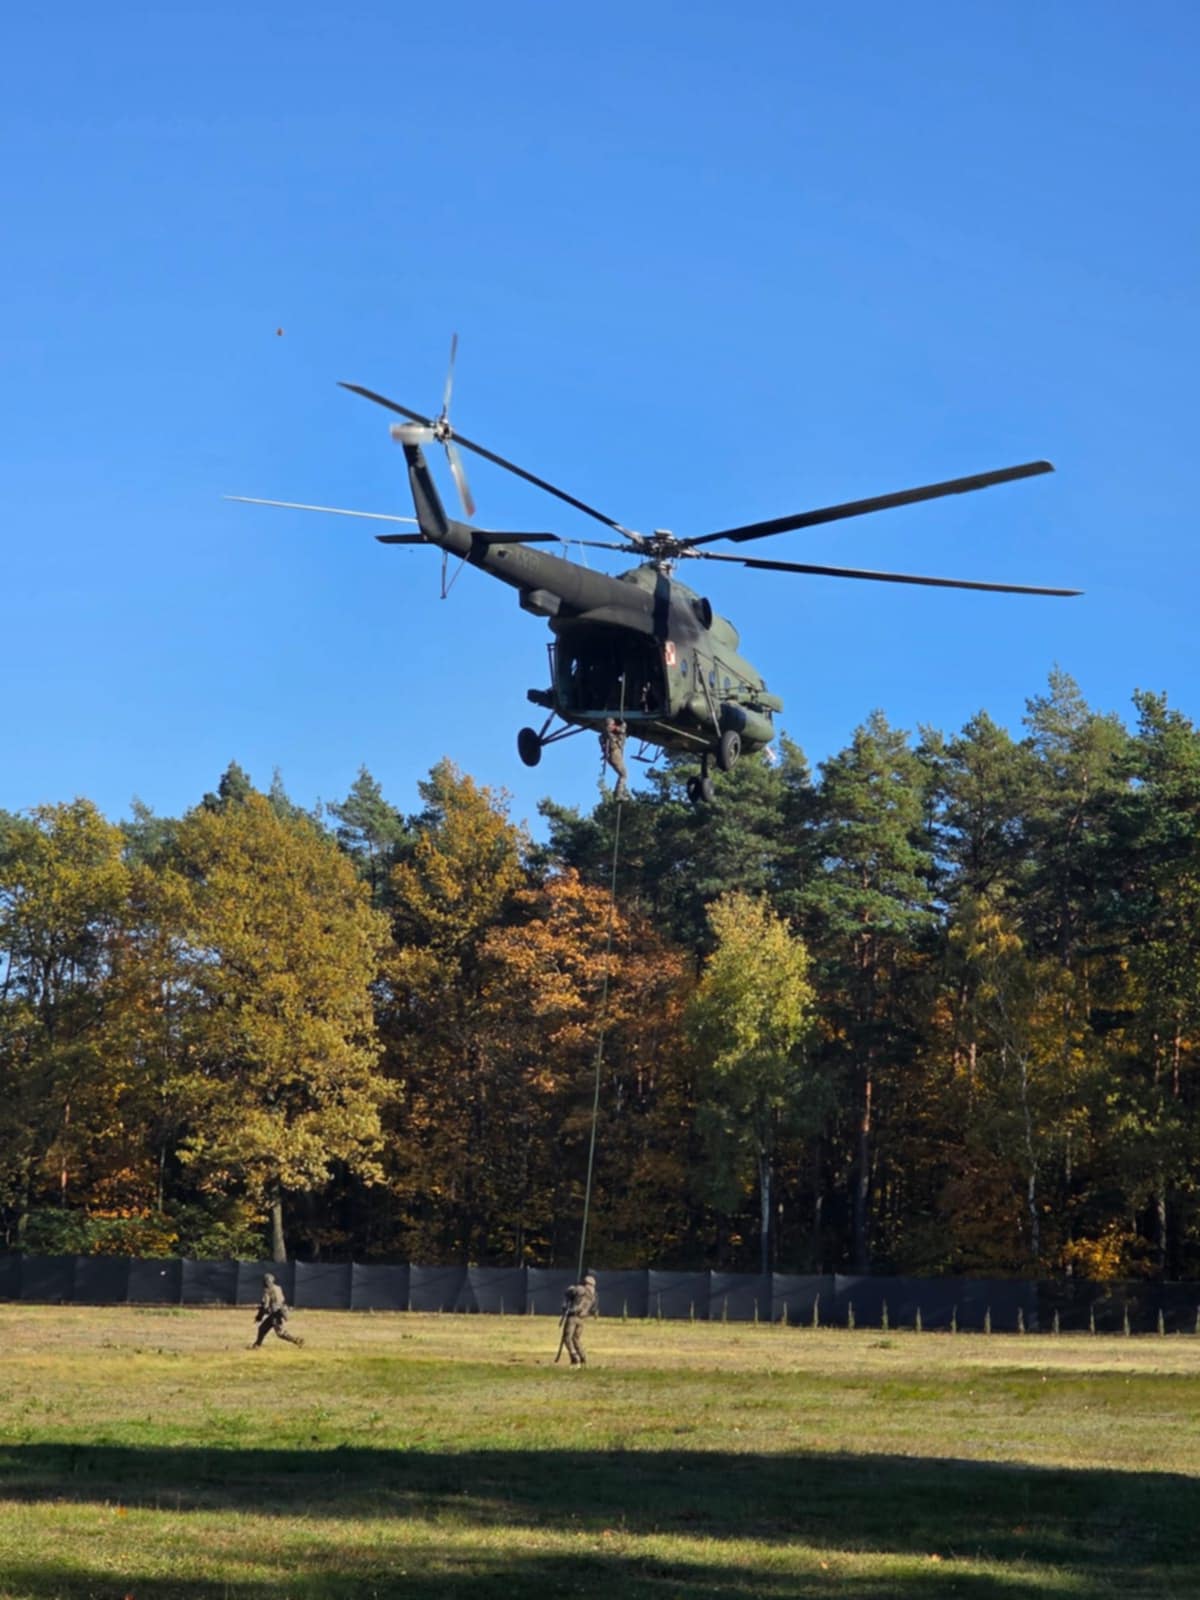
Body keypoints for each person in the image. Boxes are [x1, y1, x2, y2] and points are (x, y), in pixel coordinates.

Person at [251, 1272, 304, 1348]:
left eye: (265, 1281)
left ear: (267, 1282)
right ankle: (257, 1345)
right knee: (262, 1328)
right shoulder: (278, 1288)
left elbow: (265, 1305)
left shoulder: (268, 1291)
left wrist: (259, 1316)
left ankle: (297, 1340)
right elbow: (281, 1300)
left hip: (275, 1314)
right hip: (279, 1311)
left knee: (280, 1333)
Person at [559, 1272, 598, 1367]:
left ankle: (574, 1357)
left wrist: (572, 1288)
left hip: (573, 1317)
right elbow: (593, 1310)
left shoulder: (580, 1289)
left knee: (567, 1338)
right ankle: (583, 1357)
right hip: (582, 1319)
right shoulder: (593, 1296)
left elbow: (569, 1292)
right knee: (576, 1339)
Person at [599, 718, 629, 799]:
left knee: (622, 774)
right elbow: (622, 731)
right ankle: (619, 794)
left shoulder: (603, 735)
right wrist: (623, 725)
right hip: (615, 754)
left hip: (611, 756)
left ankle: (618, 793)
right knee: (623, 774)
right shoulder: (610, 732)